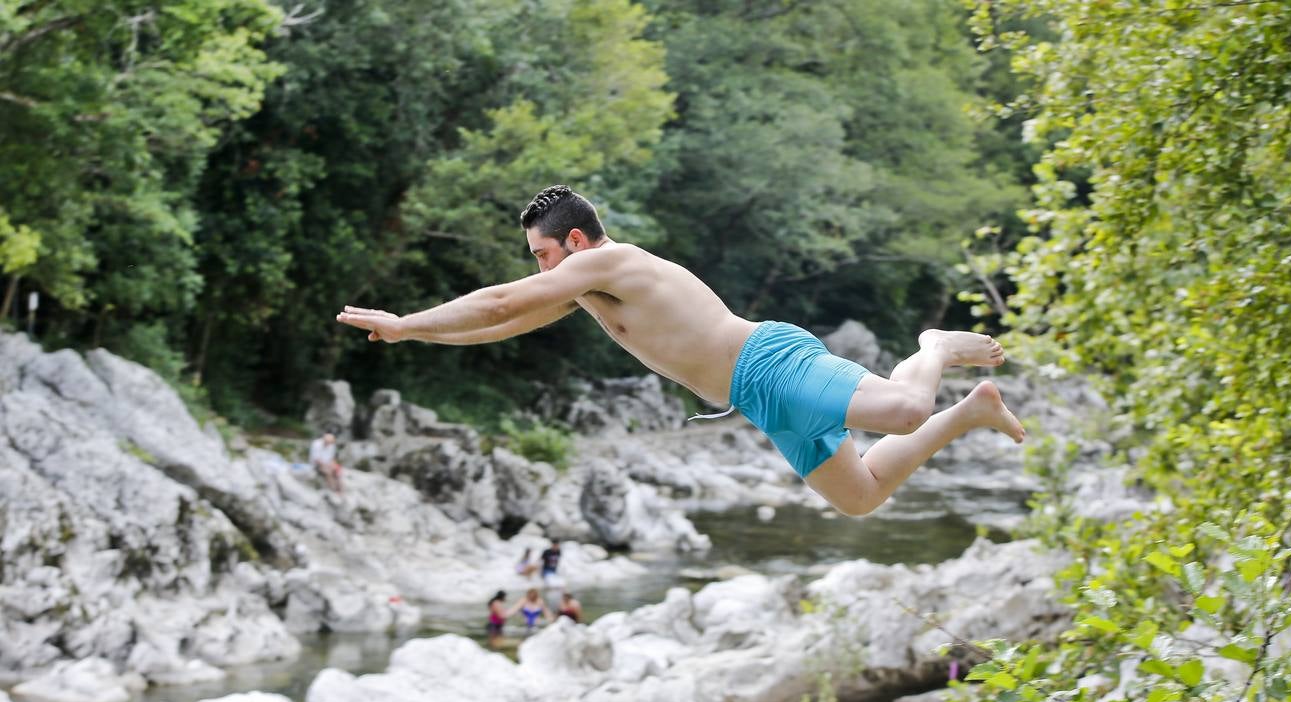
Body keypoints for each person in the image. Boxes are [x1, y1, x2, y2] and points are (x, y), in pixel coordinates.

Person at [336, 186, 1025, 516]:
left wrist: (404, 321)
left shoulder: (612, 263)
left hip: (770, 362)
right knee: (860, 497)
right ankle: (970, 411)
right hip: (755, 398)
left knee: (904, 408)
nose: (540, 270)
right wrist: (420, 332)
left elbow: (497, 302)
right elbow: (506, 325)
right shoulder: (581, 286)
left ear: (576, 242)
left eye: (543, 255)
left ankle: (933, 346)